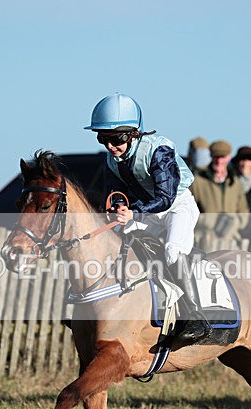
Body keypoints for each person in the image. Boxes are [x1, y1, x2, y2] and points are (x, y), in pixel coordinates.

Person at [85, 93, 211, 342]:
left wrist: (133, 212)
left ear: (134, 134)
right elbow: (115, 192)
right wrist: (119, 207)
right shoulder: (113, 160)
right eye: (103, 139)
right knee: (123, 244)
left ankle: (196, 316)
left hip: (177, 207)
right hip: (146, 211)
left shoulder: (158, 149)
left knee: (173, 251)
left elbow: (165, 197)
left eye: (116, 138)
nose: (110, 146)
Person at [189, 140, 250, 248]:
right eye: (216, 157)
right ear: (211, 157)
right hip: (203, 241)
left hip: (230, 242)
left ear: (228, 158)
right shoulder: (198, 181)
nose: (219, 161)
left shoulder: (235, 183)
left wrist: (235, 222)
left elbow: (244, 211)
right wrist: (211, 220)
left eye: (223, 157)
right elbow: (187, 211)